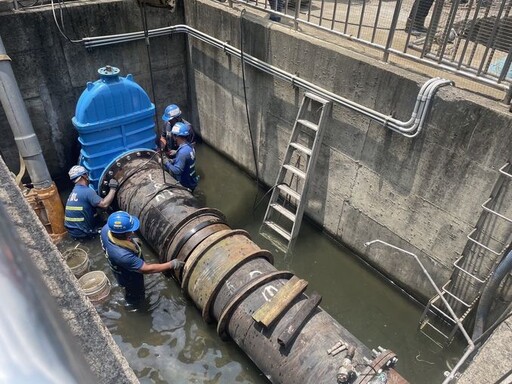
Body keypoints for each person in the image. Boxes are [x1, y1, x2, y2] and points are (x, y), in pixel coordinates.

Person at [100, 211, 184, 306]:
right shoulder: (122, 255)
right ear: (122, 234)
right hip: (130, 278)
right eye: (129, 231)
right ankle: (135, 308)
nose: (132, 232)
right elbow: (146, 269)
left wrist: (131, 242)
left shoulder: (106, 229)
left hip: (120, 268)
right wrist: (171, 264)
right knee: (136, 296)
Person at [64, 165, 118, 240]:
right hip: (83, 233)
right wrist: (113, 188)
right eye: (87, 174)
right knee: (114, 229)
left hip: (72, 231)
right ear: (84, 176)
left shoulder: (74, 192)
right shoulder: (86, 191)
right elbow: (104, 204)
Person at [163, 122, 199, 192]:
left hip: (186, 184)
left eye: (173, 135)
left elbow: (177, 171)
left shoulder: (182, 152)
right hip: (192, 180)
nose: (173, 137)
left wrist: (167, 162)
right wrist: (173, 160)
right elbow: (187, 161)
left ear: (177, 136)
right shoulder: (190, 146)